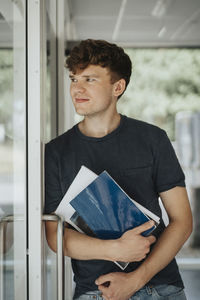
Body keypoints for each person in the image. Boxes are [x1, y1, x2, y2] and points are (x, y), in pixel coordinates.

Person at [44, 39, 193, 300]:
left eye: (89, 79)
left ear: (118, 87)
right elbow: (55, 236)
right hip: (96, 291)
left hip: (159, 288)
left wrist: (135, 279)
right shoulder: (56, 152)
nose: (77, 88)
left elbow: (182, 221)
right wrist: (115, 250)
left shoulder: (153, 139)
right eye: (74, 79)